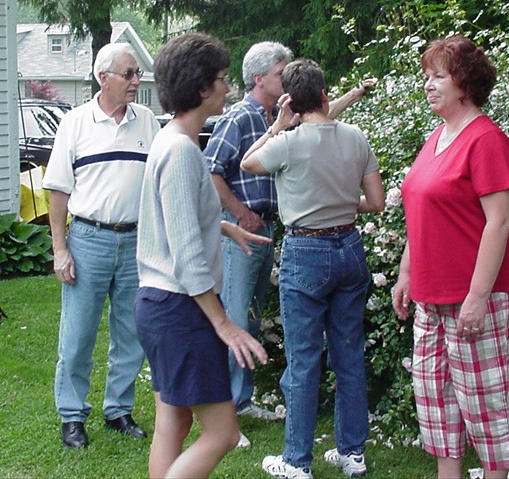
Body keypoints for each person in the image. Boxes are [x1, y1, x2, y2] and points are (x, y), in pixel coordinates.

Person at [203, 41, 374, 438]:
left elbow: (321, 121)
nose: (286, 82)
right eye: (281, 73)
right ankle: (226, 412)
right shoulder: (240, 118)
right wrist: (239, 212)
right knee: (235, 315)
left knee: (252, 317)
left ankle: (243, 400)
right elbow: (211, 170)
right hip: (242, 233)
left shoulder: (281, 119)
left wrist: (354, 93)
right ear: (259, 78)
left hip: (274, 232)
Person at [240, 59, 385, 479]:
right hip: (350, 248)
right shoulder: (356, 138)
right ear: (324, 94)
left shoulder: (287, 142)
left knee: (304, 360)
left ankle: (297, 460)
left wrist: (276, 126)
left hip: (306, 251)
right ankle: (352, 454)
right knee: (349, 355)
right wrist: (339, 203)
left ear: (291, 103)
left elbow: (248, 164)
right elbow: (375, 202)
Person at [135, 32, 270, 479]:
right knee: (223, 434)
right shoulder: (179, 151)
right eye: (221, 79)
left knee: (173, 421)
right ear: (201, 89)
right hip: (179, 308)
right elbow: (186, 254)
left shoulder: (175, 142)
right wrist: (223, 323)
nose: (227, 88)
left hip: (162, 304)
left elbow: (177, 219)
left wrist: (224, 225)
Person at [391, 35, 509, 479]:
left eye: (439, 77)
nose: (428, 85)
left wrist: (477, 296)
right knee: (437, 408)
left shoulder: (486, 141)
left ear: (465, 83)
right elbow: (421, 208)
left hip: (478, 297)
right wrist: (407, 272)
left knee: (486, 411)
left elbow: (499, 223)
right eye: (426, 77)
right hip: (431, 296)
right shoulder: (437, 137)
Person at [43, 42, 159, 448]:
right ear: (102, 77)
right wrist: (60, 249)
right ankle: (72, 416)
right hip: (88, 239)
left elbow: (158, 183)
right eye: (128, 74)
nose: (136, 81)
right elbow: (57, 193)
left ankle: (118, 410)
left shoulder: (147, 122)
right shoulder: (75, 123)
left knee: (131, 332)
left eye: (137, 74)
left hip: (135, 241)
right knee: (77, 335)